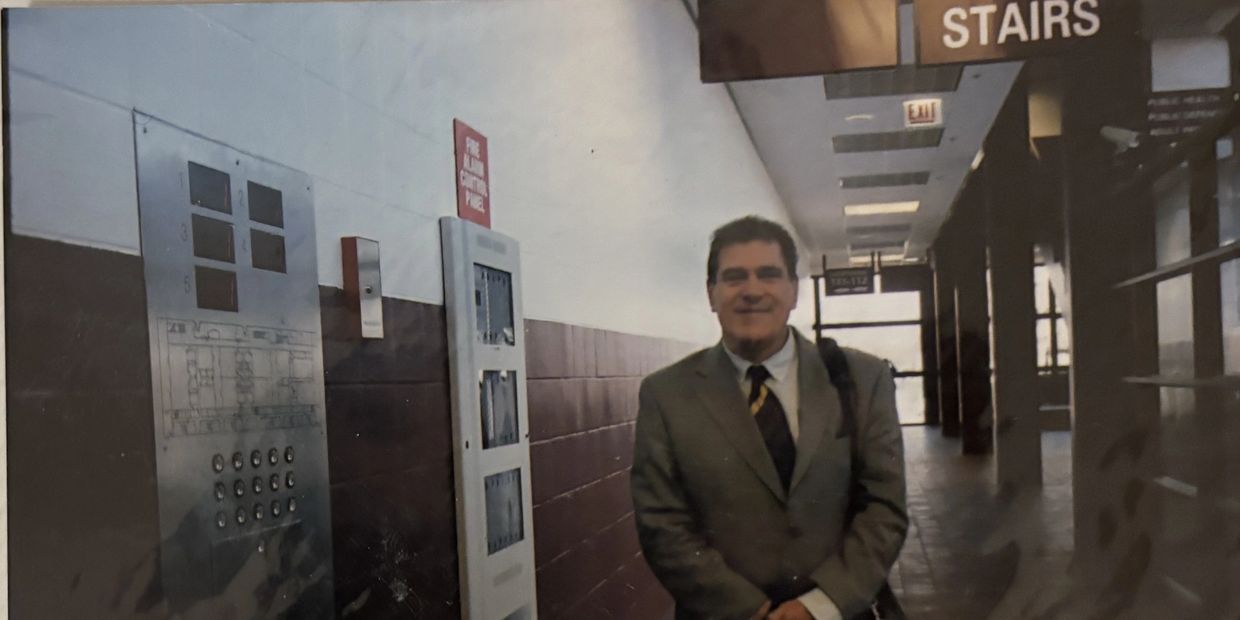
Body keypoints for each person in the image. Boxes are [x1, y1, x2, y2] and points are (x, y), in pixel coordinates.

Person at [631, 216, 907, 620]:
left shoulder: (862, 379)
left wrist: (816, 607)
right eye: (734, 277)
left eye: (769, 275)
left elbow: (885, 508)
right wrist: (751, 610)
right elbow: (661, 523)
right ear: (711, 294)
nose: (752, 291)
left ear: (793, 291)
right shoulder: (667, 394)